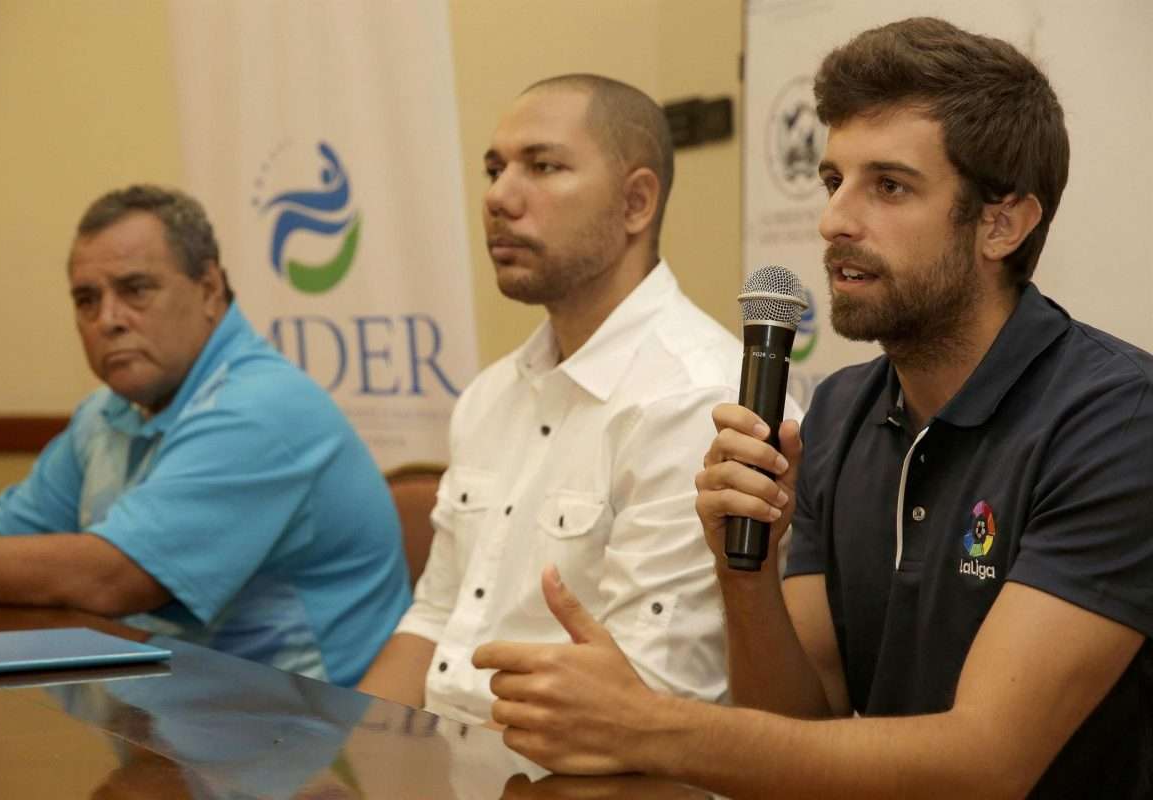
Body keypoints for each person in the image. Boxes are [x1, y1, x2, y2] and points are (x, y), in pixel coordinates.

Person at [472, 18, 1153, 797]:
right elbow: (802, 721)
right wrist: (746, 566)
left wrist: (647, 726)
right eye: (834, 182)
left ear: (1002, 222)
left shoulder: (1116, 420)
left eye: (888, 186)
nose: (833, 221)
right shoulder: (836, 409)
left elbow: (984, 763)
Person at [358, 75, 797, 724]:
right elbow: (432, 621)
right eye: (493, 168)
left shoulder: (697, 400)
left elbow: (649, 699)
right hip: (441, 762)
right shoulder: (490, 395)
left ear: (635, 204)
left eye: (542, 166)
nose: (499, 197)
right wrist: (345, 767)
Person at [0, 185, 411, 687]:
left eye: (135, 289)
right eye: (87, 299)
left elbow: (112, 578)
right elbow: (10, 528)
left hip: (309, 739)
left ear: (210, 289)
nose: (108, 320)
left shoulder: (259, 408)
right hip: (178, 718)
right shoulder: (106, 413)